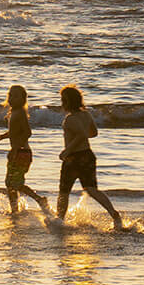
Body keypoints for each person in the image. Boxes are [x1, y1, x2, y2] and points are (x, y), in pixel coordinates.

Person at [56, 86, 125, 230]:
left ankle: (59, 219)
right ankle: (114, 214)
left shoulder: (70, 119)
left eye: (62, 100)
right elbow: (93, 133)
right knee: (92, 189)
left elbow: (81, 134)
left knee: (64, 190)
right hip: (87, 155)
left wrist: (67, 150)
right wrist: (80, 138)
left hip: (73, 158)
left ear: (67, 102)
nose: (61, 103)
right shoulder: (86, 115)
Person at [0, 85, 52, 216]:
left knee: (16, 183)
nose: (12, 98)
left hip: (22, 153)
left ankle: (39, 200)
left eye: (15, 96)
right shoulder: (13, 113)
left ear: (23, 99)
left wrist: (16, 148)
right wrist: (0, 138)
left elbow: (27, 132)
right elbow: (14, 132)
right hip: (17, 151)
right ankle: (15, 210)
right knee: (10, 183)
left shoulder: (21, 113)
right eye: (10, 95)